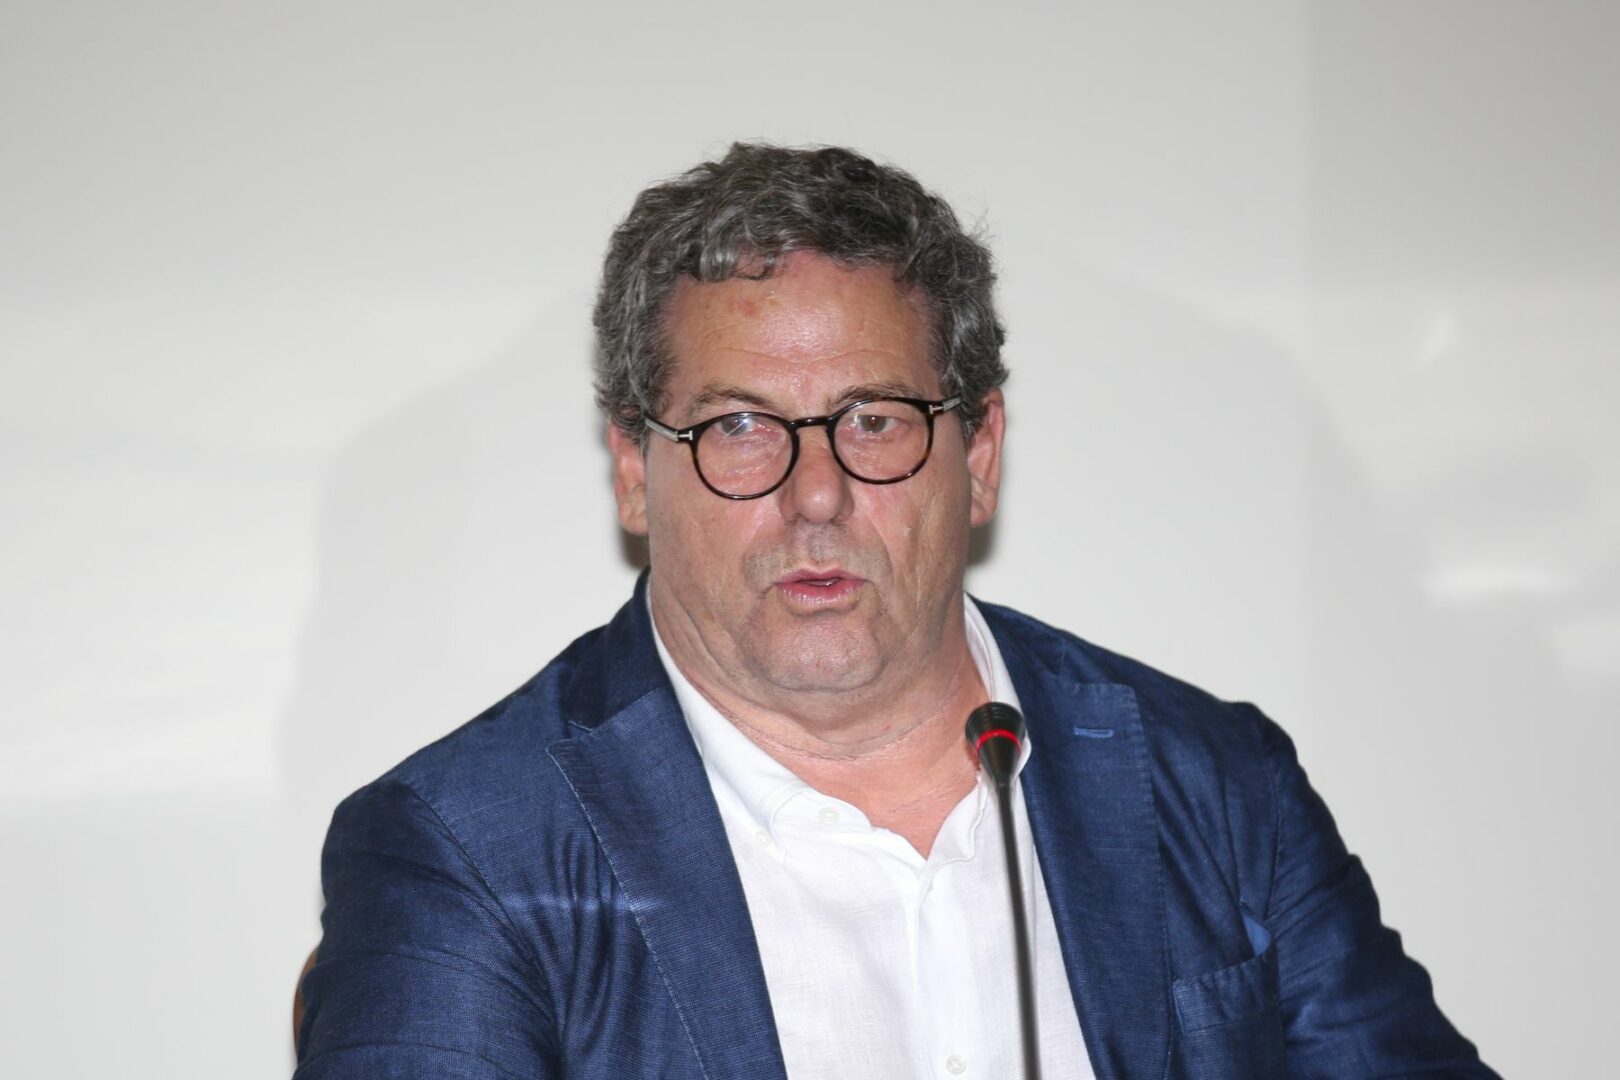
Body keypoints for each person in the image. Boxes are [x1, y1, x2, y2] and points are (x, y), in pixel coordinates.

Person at [292, 143, 1496, 1079]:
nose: (815, 494)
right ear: (632, 471)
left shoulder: (1214, 783)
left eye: (875, 420)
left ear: (980, 454)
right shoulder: (465, 852)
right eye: (739, 427)